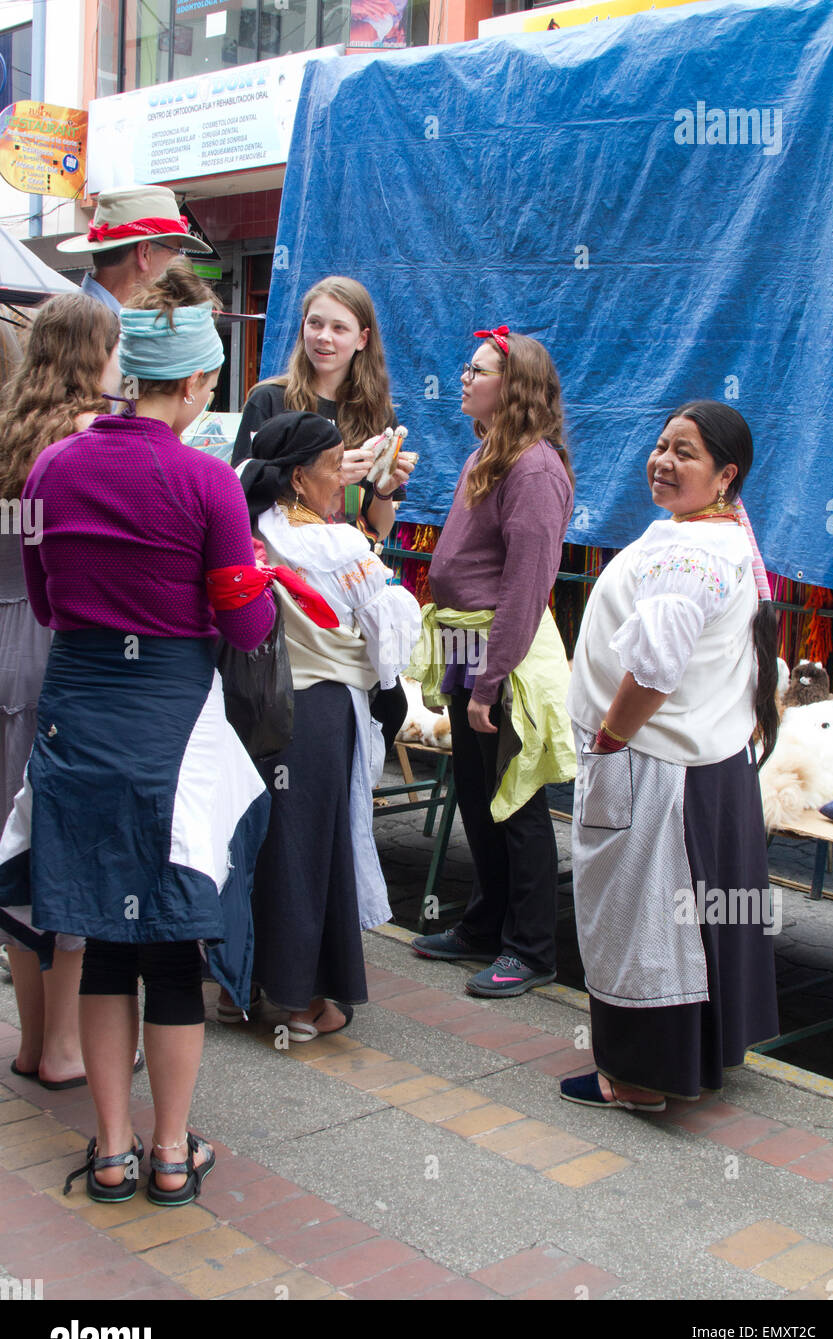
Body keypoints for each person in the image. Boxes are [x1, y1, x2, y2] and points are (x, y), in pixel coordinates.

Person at [0, 262, 276, 1204]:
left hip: (76, 715)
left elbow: (42, 598)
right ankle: (170, 1152)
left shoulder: (51, 467)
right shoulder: (208, 482)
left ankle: (110, 1149)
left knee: (102, 939)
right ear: (199, 385)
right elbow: (243, 629)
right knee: (170, 946)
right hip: (171, 722)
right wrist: (252, 584)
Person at [560, 400, 779, 1111]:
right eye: (660, 446)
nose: (662, 461)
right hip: (702, 768)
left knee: (643, 920)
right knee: (696, 918)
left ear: (725, 475)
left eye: (685, 452)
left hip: (655, 768)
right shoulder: (717, 538)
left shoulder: (689, 553)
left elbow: (654, 668)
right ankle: (701, 1053)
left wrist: (610, 737)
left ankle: (640, 1077)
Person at [232, 410, 421, 1039]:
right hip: (317, 711)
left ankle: (257, 982)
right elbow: (391, 629)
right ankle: (302, 1001)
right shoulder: (335, 545)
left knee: (269, 841)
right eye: (334, 463)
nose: (343, 475)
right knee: (311, 850)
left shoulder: (252, 525)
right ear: (298, 475)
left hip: (256, 703)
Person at [409, 326, 577, 997]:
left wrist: (489, 682)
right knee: (478, 799)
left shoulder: (535, 469)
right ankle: (484, 926)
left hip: (495, 653)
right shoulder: (489, 456)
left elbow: (525, 588)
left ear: (514, 387)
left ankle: (532, 950)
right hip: (462, 643)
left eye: (475, 369)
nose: (463, 379)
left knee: (516, 802)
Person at [0, 295, 122, 1088]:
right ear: (92, 356)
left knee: (11, 846)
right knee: (67, 849)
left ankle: (33, 1036)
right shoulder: (87, 444)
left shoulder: (9, 433)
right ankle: (67, 1048)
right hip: (60, 649)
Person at [232, 275, 416, 746]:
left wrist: (382, 489)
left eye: (339, 327)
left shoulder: (379, 415)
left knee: (345, 716)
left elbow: (377, 530)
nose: (324, 338)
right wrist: (326, 473)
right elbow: (240, 497)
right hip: (284, 593)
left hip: (347, 599)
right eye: (315, 324)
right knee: (288, 715)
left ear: (362, 339)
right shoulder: (269, 399)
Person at [57, 184, 209, 314]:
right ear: (144, 253)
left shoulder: (79, 318)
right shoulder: (93, 329)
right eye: (176, 251)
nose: (179, 262)